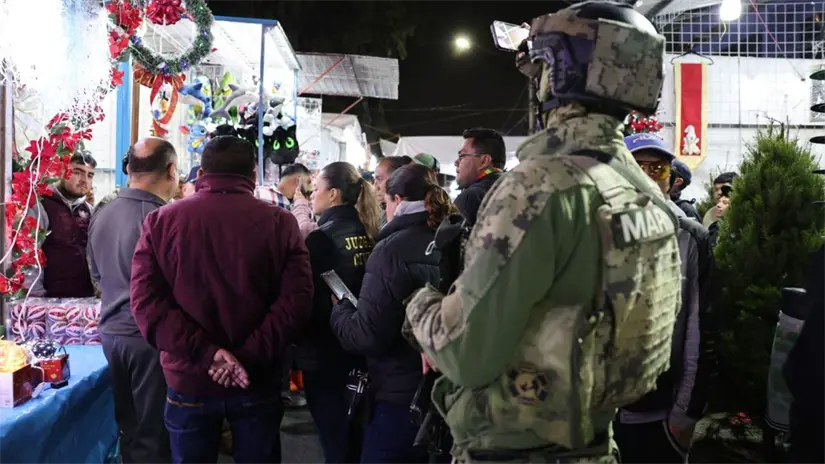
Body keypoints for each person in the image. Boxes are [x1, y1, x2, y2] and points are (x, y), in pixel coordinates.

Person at [404, 3, 682, 463]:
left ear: (561, 73)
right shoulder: (643, 193)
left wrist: (420, 306)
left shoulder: (541, 187)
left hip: (511, 449)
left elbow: (464, 354)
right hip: (594, 444)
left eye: (542, 67)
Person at [129, 136, 314, 464]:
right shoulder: (280, 223)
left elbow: (145, 303)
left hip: (189, 376)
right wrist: (245, 357)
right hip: (256, 377)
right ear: (254, 177)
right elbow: (296, 302)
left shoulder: (162, 222)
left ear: (201, 173)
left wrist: (207, 354)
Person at [330, 163, 452, 463]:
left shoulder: (391, 250)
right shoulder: (457, 236)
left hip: (401, 398)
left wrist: (340, 310)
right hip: (453, 394)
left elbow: (367, 335)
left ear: (396, 199)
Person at [615, 133, 714, 464]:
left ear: (671, 179)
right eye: (635, 168)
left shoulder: (690, 237)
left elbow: (699, 332)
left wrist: (684, 415)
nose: (646, 177)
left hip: (657, 418)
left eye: (656, 169)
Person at [87, 137, 179, 464]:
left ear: (129, 169)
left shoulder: (102, 212)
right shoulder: (164, 219)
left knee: (129, 427)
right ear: (171, 170)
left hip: (111, 335)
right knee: (155, 433)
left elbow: (95, 275)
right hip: (149, 340)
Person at [297, 161, 382, 464]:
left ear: (333, 194)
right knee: (357, 432)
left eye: (316, 189)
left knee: (334, 438)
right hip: (365, 350)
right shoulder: (372, 232)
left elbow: (308, 301)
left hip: (326, 353)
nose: (312, 196)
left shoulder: (320, 239)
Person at [28, 151, 97, 297]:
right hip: (48, 300)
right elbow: (29, 254)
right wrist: (36, 298)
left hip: (85, 300)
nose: (85, 180)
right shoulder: (40, 204)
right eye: (78, 172)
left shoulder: (89, 210)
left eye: (90, 175)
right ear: (62, 171)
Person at [453, 128, 505, 226]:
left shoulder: (471, 197)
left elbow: (448, 240)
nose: (456, 162)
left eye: (462, 155)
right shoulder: (514, 187)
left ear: (484, 161)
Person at [370, 155, 414, 227]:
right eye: (375, 179)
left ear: (396, 180)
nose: (375, 185)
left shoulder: (404, 220)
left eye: (379, 179)